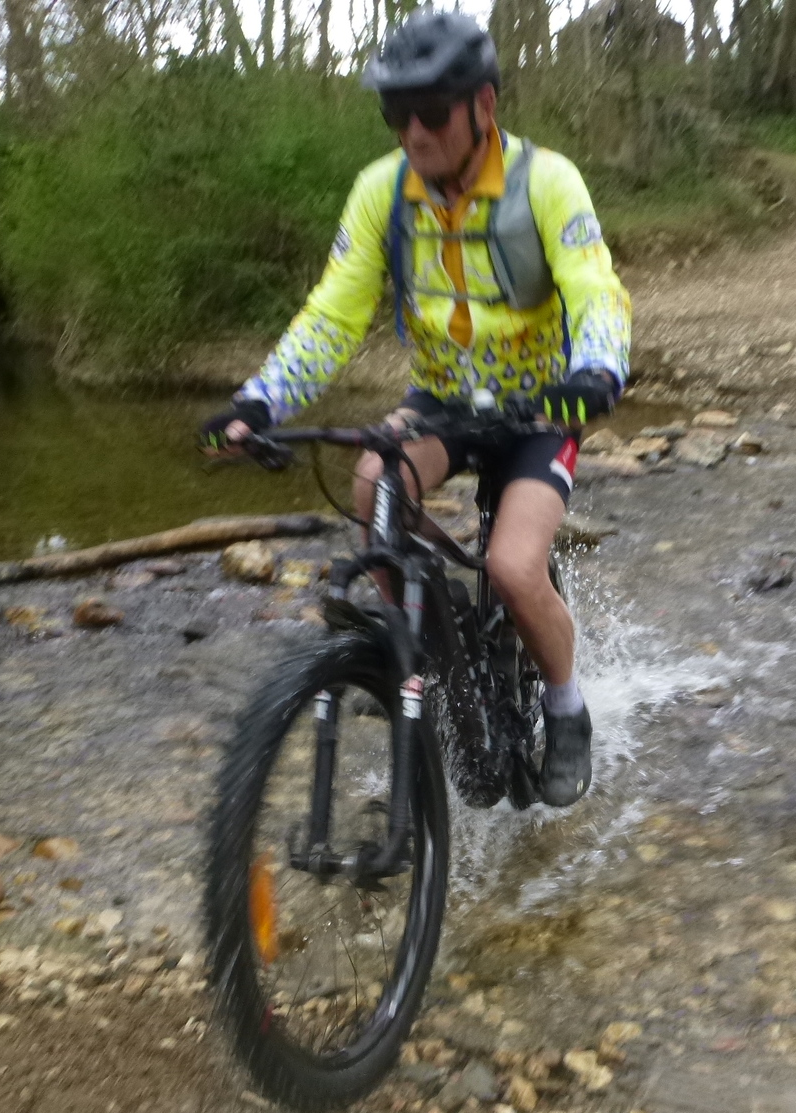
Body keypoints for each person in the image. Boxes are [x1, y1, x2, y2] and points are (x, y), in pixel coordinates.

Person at [197, 10, 631, 809]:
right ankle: (436, 647)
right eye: (396, 114)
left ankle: (567, 707)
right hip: (442, 401)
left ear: (484, 106)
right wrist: (261, 400)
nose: (415, 133)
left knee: (512, 566)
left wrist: (596, 371)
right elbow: (333, 315)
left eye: (431, 112)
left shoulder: (546, 182)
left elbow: (593, 287)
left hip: (539, 410)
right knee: (372, 491)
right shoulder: (381, 191)